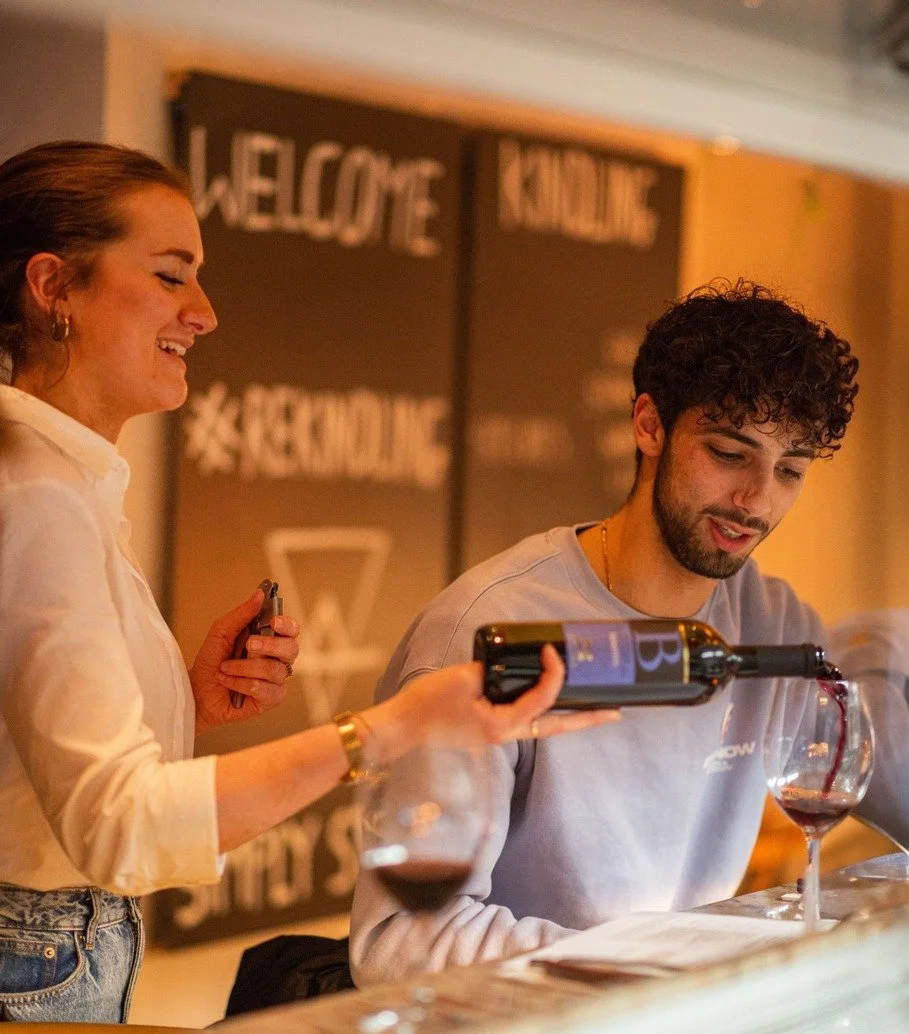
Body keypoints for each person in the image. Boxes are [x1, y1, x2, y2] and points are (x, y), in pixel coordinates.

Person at [0, 140, 616, 1023]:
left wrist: (183, 702)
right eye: (171, 276)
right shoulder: (38, 494)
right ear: (53, 286)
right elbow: (118, 826)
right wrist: (387, 731)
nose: (204, 314)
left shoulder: (63, 481)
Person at [350, 279, 909, 985]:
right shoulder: (487, 629)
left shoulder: (773, 621)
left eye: (789, 470)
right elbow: (400, 944)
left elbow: (865, 761)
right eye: (729, 454)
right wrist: (667, 970)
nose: (756, 500)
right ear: (649, 425)